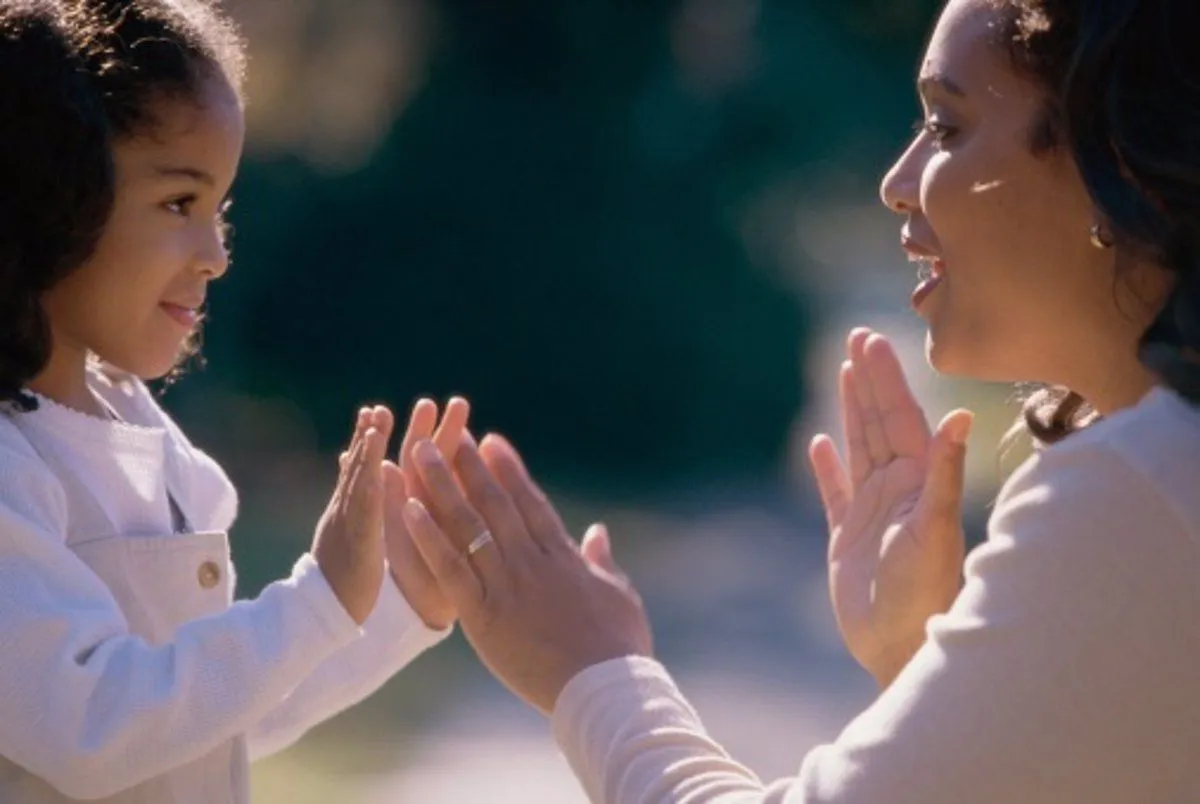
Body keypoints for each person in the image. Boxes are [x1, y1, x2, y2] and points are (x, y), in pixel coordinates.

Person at [394, 0, 1200, 801]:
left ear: (1123, 150)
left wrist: (592, 668)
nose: (897, 183)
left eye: (947, 127)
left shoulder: (1144, 493)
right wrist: (922, 658)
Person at [0, 2, 462, 801]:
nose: (215, 255)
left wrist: (394, 601)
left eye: (221, 211)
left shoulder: (151, 439)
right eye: (181, 203)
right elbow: (91, 724)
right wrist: (319, 601)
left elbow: (211, 715)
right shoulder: (11, 464)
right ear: (49, 194)